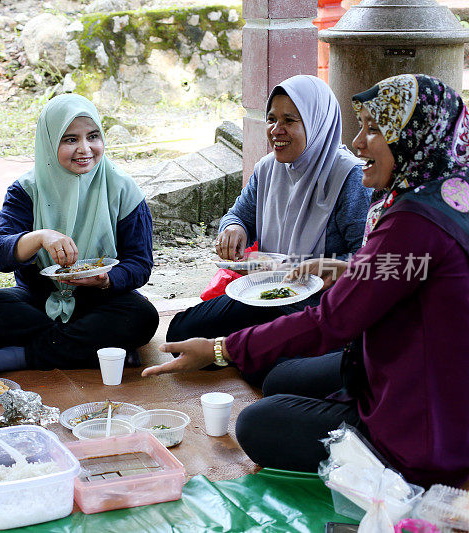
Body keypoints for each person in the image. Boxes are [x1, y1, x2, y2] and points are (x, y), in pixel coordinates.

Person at [142, 74, 469, 488]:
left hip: (423, 420)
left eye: (375, 129)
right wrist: (353, 272)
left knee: (258, 423)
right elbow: (420, 273)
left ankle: (385, 464)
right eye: (361, 126)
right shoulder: (449, 193)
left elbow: (331, 322)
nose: (358, 142)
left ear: (412, 137)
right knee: (279, 378)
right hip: (413, 370)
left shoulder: (408, 217)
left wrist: (220, 350)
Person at [167, 75, 371, 366]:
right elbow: (239, 215)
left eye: (290, 120)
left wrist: (320, 270)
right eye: (271, 119)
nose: (277, 130)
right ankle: (255, 351)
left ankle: (262, 353)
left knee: (273, 368)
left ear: (317, 123)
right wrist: (234, 229)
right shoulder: (268, 169)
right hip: (266, 292)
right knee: (181, 332)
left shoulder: (349, 178)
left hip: (315, 307)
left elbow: (364, 259)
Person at [0, 94, 159, 376]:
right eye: (70, 140)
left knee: (141, 317)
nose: (85, 149)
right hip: (38, 301)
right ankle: (98, 352)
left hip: (101, 300)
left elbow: (139, 264)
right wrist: (40, 236)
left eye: (93, 136)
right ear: (49, 141)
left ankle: (27, 356)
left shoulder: (123, 188)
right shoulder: (27, 188)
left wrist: (105, 279)